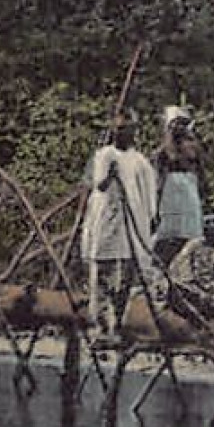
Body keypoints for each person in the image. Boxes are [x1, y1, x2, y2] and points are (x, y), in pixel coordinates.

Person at [80, 112, 159, 334]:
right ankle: (100, 324)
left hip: (130, 224)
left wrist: (151, 216)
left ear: (133, 132)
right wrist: (110, 175)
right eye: (117, 129)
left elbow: (149, 190)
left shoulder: (140, 160)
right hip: (107, 218)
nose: (121, 134)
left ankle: (119, 322)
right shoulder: (105, 155)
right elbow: (99, 185)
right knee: (103, 269)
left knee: (125, 274)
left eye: (126, 129)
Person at [152, 104, 203, 267]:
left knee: (188, 254)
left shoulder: (191, 151)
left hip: (189, 215)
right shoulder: (163, 155)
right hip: (170, 214)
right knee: (167, 252)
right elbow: (158, 183)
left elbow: (199, 177)